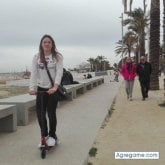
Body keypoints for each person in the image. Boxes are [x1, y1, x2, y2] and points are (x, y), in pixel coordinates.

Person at [29, 34, 63, 147]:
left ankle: (53, 136)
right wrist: (32, 88)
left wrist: (55, 87)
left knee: (51, 113)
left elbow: (59, 72)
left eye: (49, 42)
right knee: (40, 114)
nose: (47, 44)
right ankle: (44, 136)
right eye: (45, 42)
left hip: (52, 89)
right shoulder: (36, 57)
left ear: (52, 44)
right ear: (41, 44)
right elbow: (33, 74)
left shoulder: (57, 56)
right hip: (41, 89)